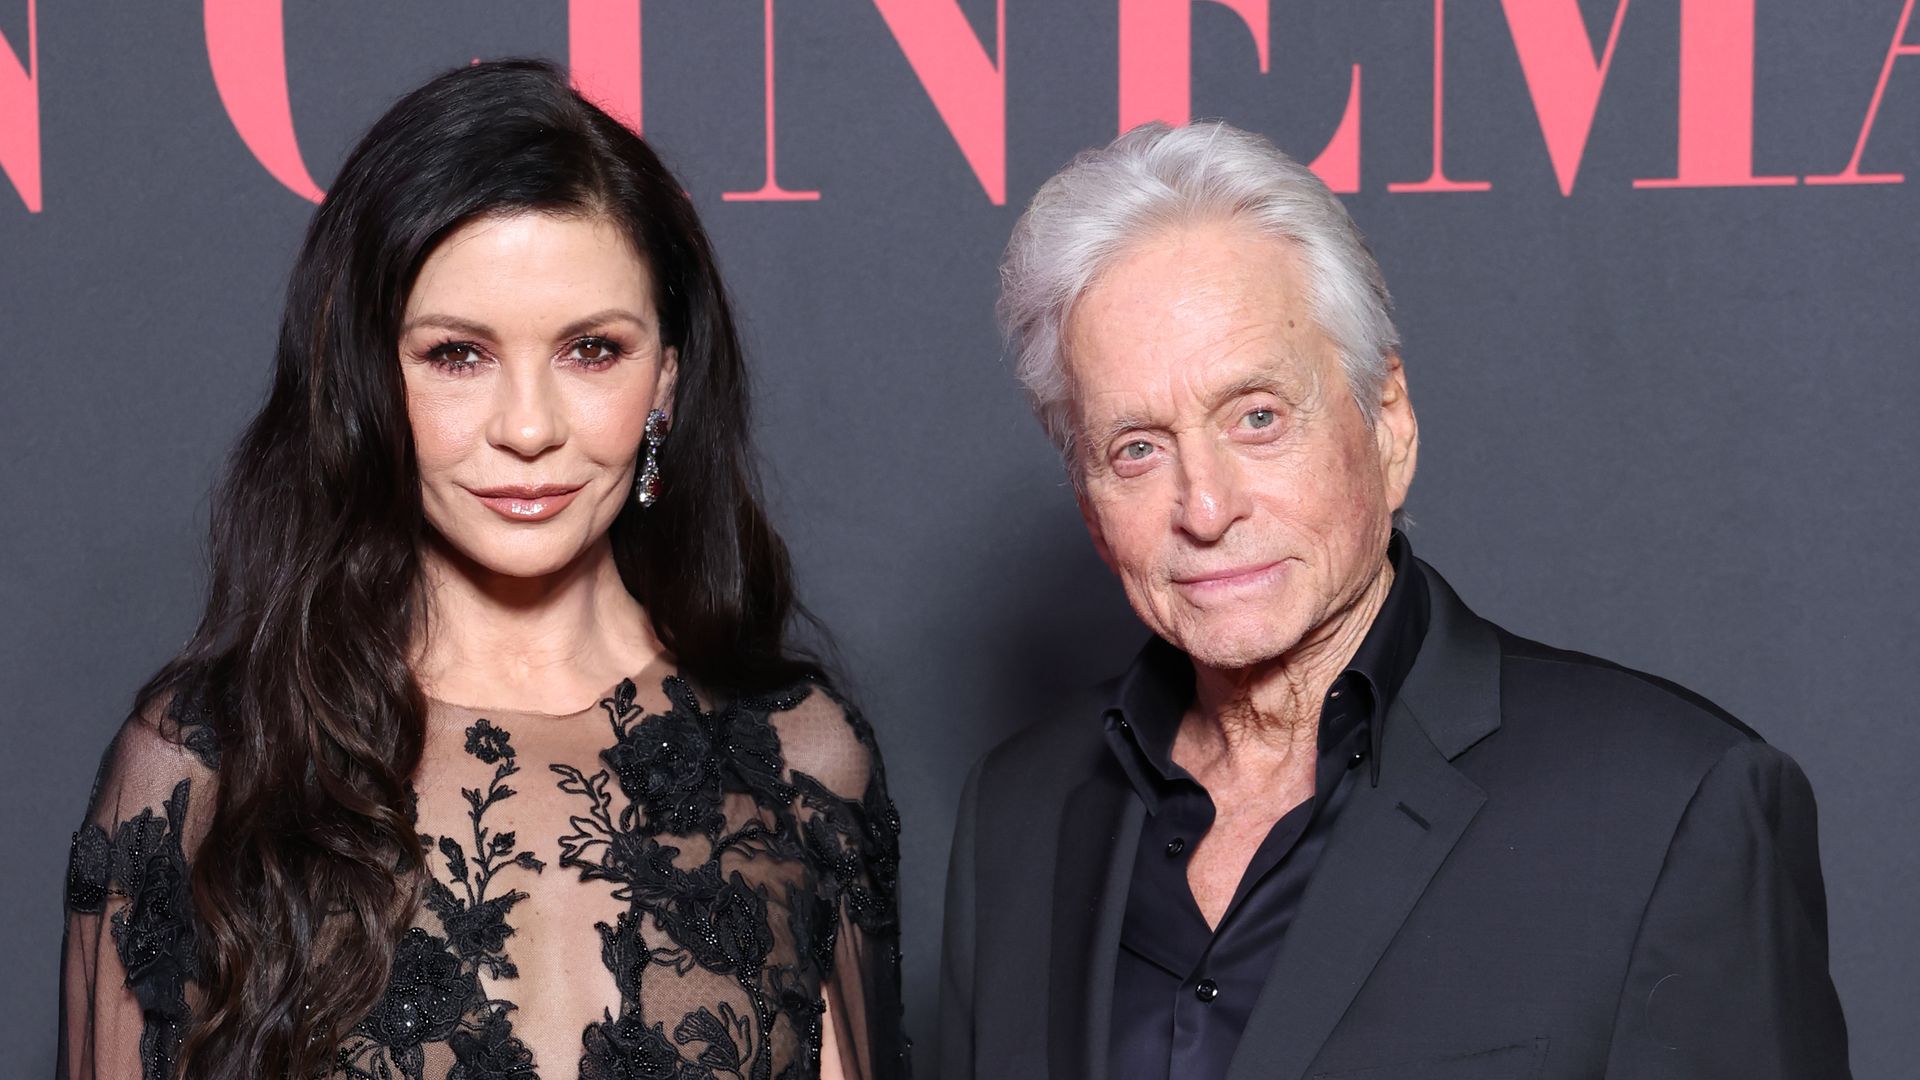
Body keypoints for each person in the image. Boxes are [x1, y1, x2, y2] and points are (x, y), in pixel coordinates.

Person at [939, 121, 1849, 1079]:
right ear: (1091, 503)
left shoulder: (1669, 803)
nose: (1204, 507)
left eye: (1257, 418)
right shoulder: (1017, 811)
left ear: (1389, 424)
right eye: (1138, 448)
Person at [59, 60, 906, 1080]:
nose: (529, 428)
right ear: (366, 374)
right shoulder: (207, 770)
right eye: (458, 354)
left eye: (592, 350)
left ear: (666, 380)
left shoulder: (799, 762)